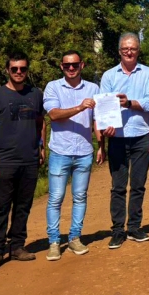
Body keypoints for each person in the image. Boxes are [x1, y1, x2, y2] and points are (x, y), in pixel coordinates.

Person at [0, 52, 45, 270]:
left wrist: (41, 146)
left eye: (23, 69)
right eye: (15, 69)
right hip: (4, 161)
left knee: (23, 206)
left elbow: (40, 122)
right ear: (7, 70)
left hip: (29, 161)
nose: (19, 72)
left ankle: (17, 246)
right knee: (0, 208)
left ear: (27, 70)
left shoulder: (35, 94)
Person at [43, 50, 103, 261]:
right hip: (60, 151)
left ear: (82, 65)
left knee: (80, 197)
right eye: (67, 65)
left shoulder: (93, 88)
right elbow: (54, 115)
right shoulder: (53, 87)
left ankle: (75, 237)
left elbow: (97, 120)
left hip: (84, 151)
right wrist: (80, 107)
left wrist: (101, 145)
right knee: (56, 198)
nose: (71, 68)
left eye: (74, 65)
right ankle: (53, 241)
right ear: (61, 66)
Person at [99, 32, 149, 249]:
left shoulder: (148, 73)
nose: (129, 52)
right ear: (119, 51)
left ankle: (134, 227)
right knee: (118, 186)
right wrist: (106, 126)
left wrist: (129, 103)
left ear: (138, 50)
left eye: (133, 48)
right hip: (117, 138)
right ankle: (117, 230)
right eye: (125, 49)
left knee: (139, 185)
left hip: (141, 135)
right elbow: (103, 104)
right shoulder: (108, 76)